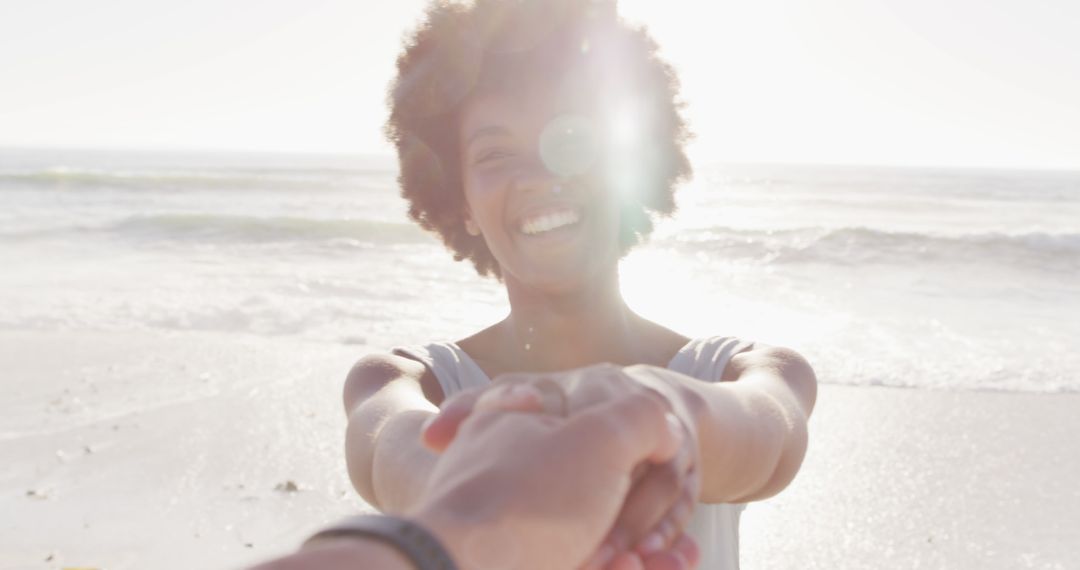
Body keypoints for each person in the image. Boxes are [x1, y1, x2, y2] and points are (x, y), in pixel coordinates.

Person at [345, 0, 818, 568]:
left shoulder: (736, 374)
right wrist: (491, 476)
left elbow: (768, 437)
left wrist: (659, 415)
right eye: (495, 152)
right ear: (460, 199)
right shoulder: (415, 384)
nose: (541, 174)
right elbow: (390, 451)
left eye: (571, 138)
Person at [252, 379, 698, 570]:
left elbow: (761, 429)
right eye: (491, 172)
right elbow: (390, 437)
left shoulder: (732, 363)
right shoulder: (402, 374)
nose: (547, 179)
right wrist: (480, 517)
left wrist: (666, 404)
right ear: (459, 202)